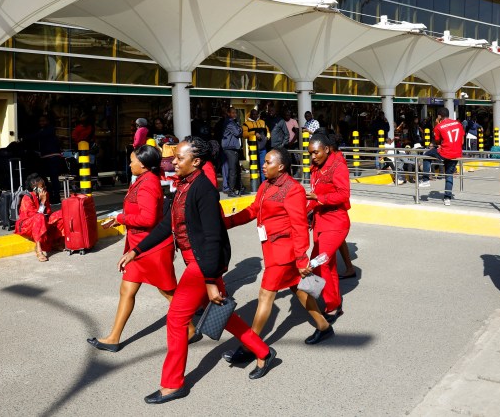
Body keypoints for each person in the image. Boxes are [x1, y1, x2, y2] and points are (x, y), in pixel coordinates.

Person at [118, 137, 277, 404]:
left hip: (202, 264)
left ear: (196, 161)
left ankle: (172, 384)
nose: (173, 162)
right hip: (199, 263)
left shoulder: (203, 188)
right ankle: (262, 351)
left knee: (177, 319)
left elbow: (213, 237)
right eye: (175, 157)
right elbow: (166, 223)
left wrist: (210, 279)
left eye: (179, 158)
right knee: (223, 315)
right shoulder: (183, 186)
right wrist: (136, 250)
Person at [222, 148, 333, 364]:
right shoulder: (266, 185)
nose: (263, 165)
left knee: (265, 296)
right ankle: (323, 326)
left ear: (281, 166)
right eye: (264, 162)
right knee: (298, 289)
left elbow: (300, 227)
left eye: (268, 162)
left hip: (284, 253)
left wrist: (301, 260)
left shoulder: (294, 190)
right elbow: (254, 209)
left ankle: (249, 346)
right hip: (271, 249)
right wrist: (228, 222)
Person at [88, 145, 198, 352]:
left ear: (144, 164)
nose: (130, 164)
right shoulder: (142, 180)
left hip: (151, 248)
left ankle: (190, 327)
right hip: (138, 247)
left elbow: (147, 219)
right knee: (126, 290)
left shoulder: (149, 184)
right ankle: (113, 338)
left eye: (132, 160)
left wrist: (120, 218)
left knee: (168, 292)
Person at [306, 131, 350, 321]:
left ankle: (332, 305)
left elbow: (343, 195)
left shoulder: (338, 166)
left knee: (319, 261)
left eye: (316, 153)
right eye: (310, 153)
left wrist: (319, 198)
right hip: (319, 221)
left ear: (326, 149)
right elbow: (313, 193)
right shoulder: (316, 168)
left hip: (336, 222)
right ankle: (334, 301)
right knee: (326, 264)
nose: (313, 157)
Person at [418, 107, 464, 206]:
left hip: (445, 152)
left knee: (426, 155)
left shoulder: (439, 126)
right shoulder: (458, 124)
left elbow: (437, 141)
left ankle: (425, 179)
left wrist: (437, 124)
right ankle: (447, 198)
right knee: (449, 174)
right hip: (456, 153)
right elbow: (462, 140)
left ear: (439, 116)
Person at [14, 173, 64, 262]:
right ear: (35, 188)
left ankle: (55, 243)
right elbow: (34, 215)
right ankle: (38, 249)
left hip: (41, 219)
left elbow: (48, 212)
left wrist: (44, 201)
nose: (44, 188)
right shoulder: (27, 198)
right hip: (26, 224)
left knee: (61, 214)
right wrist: (42, 202)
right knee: (39, 217)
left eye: (44, 185)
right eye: (42, 187)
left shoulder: (45, 194)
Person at [23, 115, 63, 204]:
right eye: (40, 121)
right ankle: (50, 196)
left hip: (52, 157)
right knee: (45, 178)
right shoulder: (42, 130)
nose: (41, 123)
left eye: (43, 121)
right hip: (45, 157)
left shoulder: (50, 129)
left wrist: (24, 138)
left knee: (53, 178)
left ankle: (56, 197)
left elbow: (38, 135)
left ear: (48, 121)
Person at [221, 107, 243, 196]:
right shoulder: (229, 123)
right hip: (230, 148)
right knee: (232, 170)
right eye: (232, 113)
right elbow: (238, 132)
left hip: (234, 148)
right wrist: (240, 128)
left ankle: (238, 187)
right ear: (228, 113)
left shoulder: (233, 122)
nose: (234, 115)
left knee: (236, 169)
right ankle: (231, 190)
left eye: (235, 113)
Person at [243, 109, 269, 183]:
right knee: (254, 166)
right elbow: (244, 134)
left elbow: (267, 131)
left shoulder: (262, 122)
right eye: (253, 114)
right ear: (250, 115)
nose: (255, 116)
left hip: (262, 147)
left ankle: (263, 183)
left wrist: (267, 138)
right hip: (253, 148)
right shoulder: (246, 124)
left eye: (256, 114)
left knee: (263, 166)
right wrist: (254, 133)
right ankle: (254, 184)